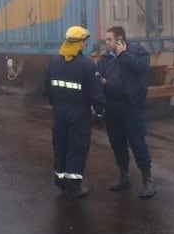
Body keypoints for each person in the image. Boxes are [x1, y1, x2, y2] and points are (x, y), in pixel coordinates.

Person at [44, 26, 105, 198]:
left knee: (60, 146)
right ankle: (74, 187)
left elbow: (46, 88)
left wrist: (56, 105)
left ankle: (61, 181)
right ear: (79, 44)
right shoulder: (87, 66)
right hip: (79, 114)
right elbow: (96, 94)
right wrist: (99, 114)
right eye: (84, 42)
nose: (85, 45)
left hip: (59, 112)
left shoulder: (53, 61)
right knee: (77, 148)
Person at [97, 26, 155, 199]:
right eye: (105, 40)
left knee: (137, 143)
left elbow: (142, 69)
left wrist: (124, 55)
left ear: (120, 39)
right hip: (112, 107)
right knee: (117, 143)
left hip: (132, 106)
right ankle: (124, 176)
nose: (106, 43)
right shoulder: (105, 57)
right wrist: (101, 80)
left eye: (109, 39)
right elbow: (98, 73)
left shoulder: (137, 51)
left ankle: (147, 180)